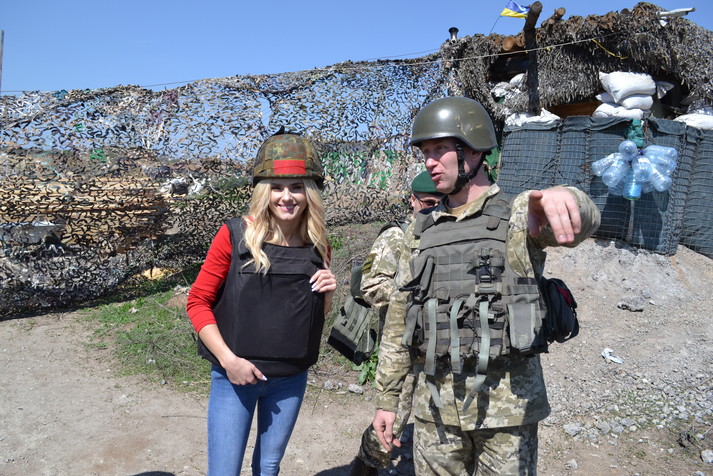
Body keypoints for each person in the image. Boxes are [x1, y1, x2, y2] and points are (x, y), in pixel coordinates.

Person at [371, 97, 601, 475]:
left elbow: (582, 223)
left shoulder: (519, 214)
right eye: (425, 152)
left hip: (506, 409)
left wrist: (567, 197)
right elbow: (399, 321)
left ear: (474, 150)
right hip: (435, 410)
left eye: (440, 149)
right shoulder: (419, 231)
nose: (430, 162)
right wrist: (388, 399)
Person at [187, 129, 337, 476]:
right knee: (224, 471)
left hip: (290, 379)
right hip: (235, 378)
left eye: (297, 187)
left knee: (268, 467)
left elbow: (312, 316)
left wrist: (328, 294)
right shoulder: (235, 235)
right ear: (262, 190)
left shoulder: (318, 245)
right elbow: (197, 301)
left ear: (310, 192)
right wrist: (229, 362)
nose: (287, 197)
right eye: (276, 187)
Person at [349, 170, 444, 476]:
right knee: (391, 420)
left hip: (438, 346)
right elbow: (371, 286)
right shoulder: (396, 236)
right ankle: (365, 468)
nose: (434, 210)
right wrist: (410, 293)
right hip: (402, 346)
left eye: (440, 203)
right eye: (428, 203)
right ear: (412, 201)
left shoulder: (447, 236)